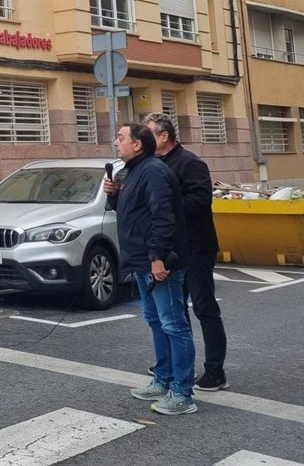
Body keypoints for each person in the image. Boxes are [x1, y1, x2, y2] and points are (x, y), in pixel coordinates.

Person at [105, 123, 196, 416]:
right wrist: (114, 194)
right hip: (142, 260)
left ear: (138, 145)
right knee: (157, 321)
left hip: (158, 261)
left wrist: (158, 256)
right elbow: (133, 212)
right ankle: (163, 379)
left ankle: (182, 392)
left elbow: (163, 215)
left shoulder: (154, 171)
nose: (115, 143)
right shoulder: (132, 172)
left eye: (121, 138)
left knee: (174, 324)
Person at [144, 113, 228, 392]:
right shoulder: (153, 164)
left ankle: (215, 372)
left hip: (195, 248)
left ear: (164, 136)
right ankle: (177, 366)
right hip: (171, 251)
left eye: (149, 133)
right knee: (174, 312)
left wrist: (164, 201)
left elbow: (200, 201)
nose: (144, 139)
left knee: (204, 308)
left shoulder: (190, 163)